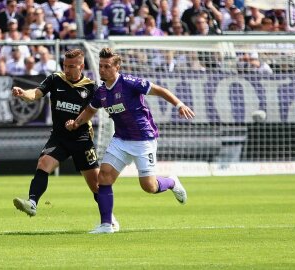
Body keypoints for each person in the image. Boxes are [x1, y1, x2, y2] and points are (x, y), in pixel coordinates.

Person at [66, 48, 195, 234]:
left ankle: (172, 183)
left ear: (117, 67)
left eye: (107, 66)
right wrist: (76, 123)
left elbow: (160, 90)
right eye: (101, 66)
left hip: (143, 139)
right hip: (121, 140)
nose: (102, 70)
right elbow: (90, 111)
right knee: (104, 177)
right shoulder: (101, 92)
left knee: (149, 187)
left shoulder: (130, 83)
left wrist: (179, 104)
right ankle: (106, 225)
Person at [11, 48, 119, 231]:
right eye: (65, 66)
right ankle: (32, 203)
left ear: (81, 66)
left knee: (96, 185)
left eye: (71, 66)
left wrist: (77, 123)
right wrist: (24, 93)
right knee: (43, 163)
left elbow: (97, 110)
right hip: (59, 137)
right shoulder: (55, 79)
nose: (67, 70)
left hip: (82, 139)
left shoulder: (91, 87)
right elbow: (36, 93)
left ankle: (109, 220)